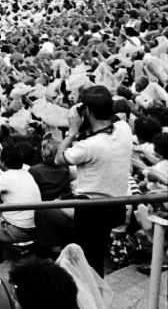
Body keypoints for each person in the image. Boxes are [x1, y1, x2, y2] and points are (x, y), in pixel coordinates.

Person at [55, 84, 133, 276]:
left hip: (92, 209)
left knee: (90, 261)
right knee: (95, 254)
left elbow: (59, 158)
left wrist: (72, 130)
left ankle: (93, 297)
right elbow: (113, 120)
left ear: (87, 111)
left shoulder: (88, 147)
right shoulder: (124, 129)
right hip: (117, 204)